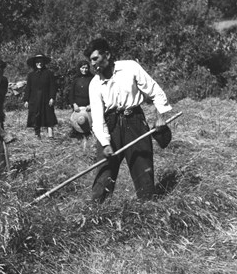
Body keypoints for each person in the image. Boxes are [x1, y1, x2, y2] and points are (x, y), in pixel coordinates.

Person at [85, 38, 172, 202]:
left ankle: (147, 208)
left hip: (135, 122)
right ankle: (96, 213)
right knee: (105, 172)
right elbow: (97, 117)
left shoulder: (130, 67)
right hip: (111, 126)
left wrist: (160, 116)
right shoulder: (94, 84)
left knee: (143, 168)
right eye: (90, 60)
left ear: (107, 55)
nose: (93, 64)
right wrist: (105, 143)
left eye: (95, 58)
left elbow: (154, 90)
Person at [23, 53, 57, 139]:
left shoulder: (49, 73)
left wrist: (52, 98)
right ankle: (37, 134)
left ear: (44, 62)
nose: (39, 63)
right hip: (34, 99)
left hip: (46, 98)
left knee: (49, 114)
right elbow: (28, 88)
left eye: (41, 61)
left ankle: (50, 135)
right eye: (37, 62)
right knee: (35, 115)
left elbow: (53, 87)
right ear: (35, 63)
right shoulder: (31, 75)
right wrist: (26, 100)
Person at [68, 60, 93, 136]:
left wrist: (91, 104)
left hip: (88, 105)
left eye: (86, 68)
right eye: (82, 68)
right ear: (79, 68)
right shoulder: (75, 79)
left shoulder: (92, 79)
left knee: (89, 122)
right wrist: (74, 104)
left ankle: (89, 137)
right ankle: (78, 136)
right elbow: (71, 93)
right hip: (77, 106)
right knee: (78, 122)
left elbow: (95, 93)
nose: (84, 70)